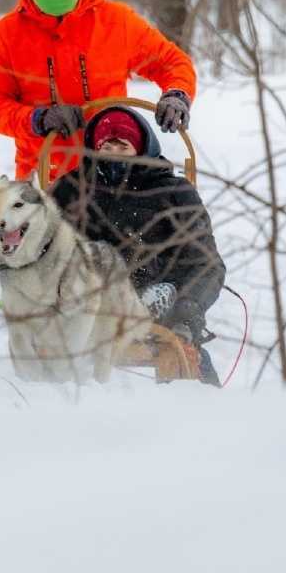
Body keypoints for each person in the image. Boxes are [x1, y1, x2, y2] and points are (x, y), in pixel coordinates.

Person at [0, 0, 198, 181]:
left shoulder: (116, 22)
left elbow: (172, 62)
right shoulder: (5, 35)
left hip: (114, 169)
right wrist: (37, 119)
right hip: (44, 178)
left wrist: (177, 94)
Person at [51, 106, 226, 385]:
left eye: (122, 145)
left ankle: (205, 411)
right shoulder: (70, 189)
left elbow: (205, 263)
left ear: (141, 147)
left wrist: (188, 308)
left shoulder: (173, 192)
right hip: (87, 303)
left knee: (182, 352)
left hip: (160, 303)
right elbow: (41, 244)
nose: (112, 152)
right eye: (105, 145)